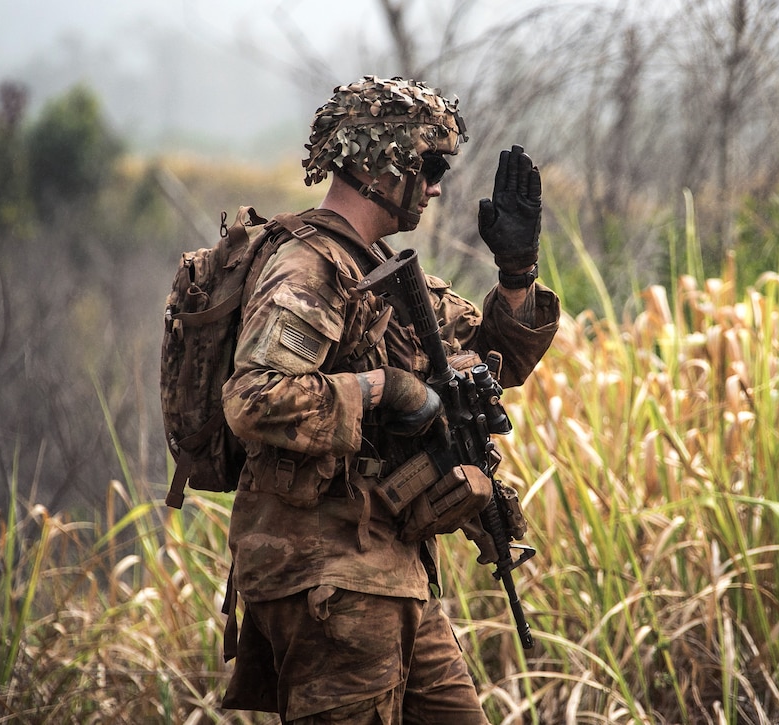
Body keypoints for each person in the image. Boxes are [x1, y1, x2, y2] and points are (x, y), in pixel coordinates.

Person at [219, 75, 560, 723]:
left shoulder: (386, 278)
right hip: (326, 575)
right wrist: (385, 387)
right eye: (431, 164)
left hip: (390, 569)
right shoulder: (307, 268)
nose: (436, 185)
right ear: (381, 161)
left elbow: (496, 358)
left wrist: (517, 274)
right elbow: (255, 398)